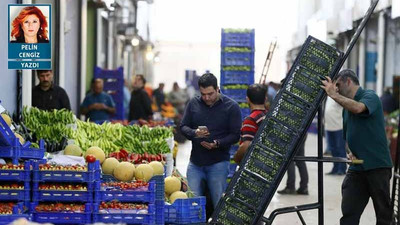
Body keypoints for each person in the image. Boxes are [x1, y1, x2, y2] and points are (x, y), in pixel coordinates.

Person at [321, 69, 393, 225]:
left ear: (349, 81)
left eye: (338, 85)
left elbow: (359, 108)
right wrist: (349, 151)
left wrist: (333, 95)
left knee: (384, 216)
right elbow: (347, 137)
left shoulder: (370, 96)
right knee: (349, 213)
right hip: (357, 168)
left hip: (377, 166)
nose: (337, 89)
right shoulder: (346, 110)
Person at [180, 73, 241, 211]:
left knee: (218, 203)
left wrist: (217, 143)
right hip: (195, 163)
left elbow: (235, 135)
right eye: (203, 94)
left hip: (218, 164)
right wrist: (194, 132)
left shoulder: (231, 107)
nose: (207, 98)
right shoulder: (194, 104)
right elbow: (183, 126)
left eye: (210, 94)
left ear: (217, 89)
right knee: (192, 203)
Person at [276, 77, 309, 195]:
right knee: (300, 159)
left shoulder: (285, 97)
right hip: (303, 131)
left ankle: (291, 186)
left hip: (291, 132)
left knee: (289, 160)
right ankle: (304, 187)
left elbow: (280, 116)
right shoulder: (302, 96)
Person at [233, 84, 268, 164]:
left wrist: (236, 158)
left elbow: (246, 145)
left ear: (247, 99)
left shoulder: (250, 120)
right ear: (265, 99)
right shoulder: (267, 116)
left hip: (255, 163)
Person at [325, 96, 347, 175]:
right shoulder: (328, 96)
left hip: (339, 127)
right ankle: (335, 168)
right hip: (329, 127)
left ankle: (342, 169)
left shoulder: (339, 95)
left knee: (340, 148)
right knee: (333, 149)